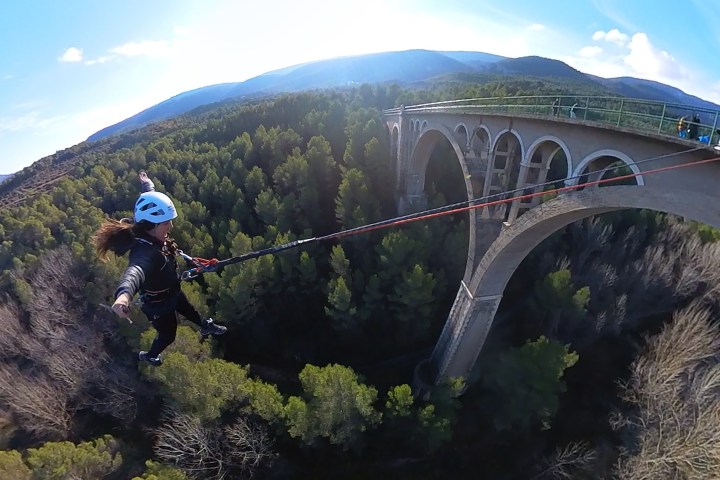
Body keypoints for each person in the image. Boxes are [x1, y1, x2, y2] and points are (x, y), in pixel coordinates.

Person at [93, 171, 226, 366]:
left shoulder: (147, 228)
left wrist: (148, 185)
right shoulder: (144, 254)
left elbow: (148, 198)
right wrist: (123, 296)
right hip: (158, 305)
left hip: (172, 289)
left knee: (188, 308)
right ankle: (150, 355)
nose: (171, 226)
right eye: (166, 222)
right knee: (168, 335)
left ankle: (204, 326)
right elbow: (134, 274)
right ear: (151, 226)